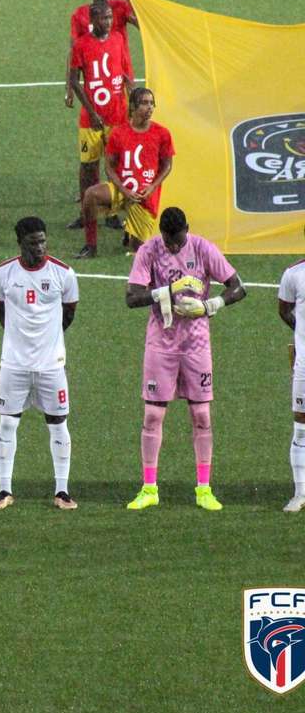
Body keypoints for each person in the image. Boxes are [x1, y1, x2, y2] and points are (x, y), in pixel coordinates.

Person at [124, 207, 246, 511]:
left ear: (187, 230)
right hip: (160, 344)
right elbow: (132, 297)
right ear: (162, 234)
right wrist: (166, 291)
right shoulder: (149, 250)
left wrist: (209, 306)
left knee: (202, 416)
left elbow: (238, 287)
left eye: (178, 240)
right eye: (169, 241)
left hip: (196, 344)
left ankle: (204, 489)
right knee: (153, 416)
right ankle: (149, 488)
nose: (174, 246)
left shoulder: (203, 249)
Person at [0, 217, 79, 510]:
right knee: (7, 422)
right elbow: (2, 315)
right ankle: (4, 490)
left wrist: (47, 342)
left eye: (42, 241)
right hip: (14, 365)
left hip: (51, 366)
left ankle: (62, 491)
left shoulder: (64, 274)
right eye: (32, 243)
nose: (39, 247)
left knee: (58, 423)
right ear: (20, 243)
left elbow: (68, 315)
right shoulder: (1, 274)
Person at [77, 87, 174, 258]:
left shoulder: (162, 133)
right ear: (133, 106)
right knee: (91, 195)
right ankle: (90, 246)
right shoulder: (118, 133)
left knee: (138, 249)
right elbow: (109, 166)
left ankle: (129, 233)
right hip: (122, 190)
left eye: (152, 103)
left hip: (144, 196)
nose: (150, 107)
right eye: (144, 103)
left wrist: (152, 187)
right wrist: (123, 189)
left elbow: (167, 165)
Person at [68, 1, 135, 245]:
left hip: (117, 116)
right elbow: (75, 80)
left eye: (109, 17)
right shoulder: (81, 45)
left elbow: (124, 71)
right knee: (88, 166)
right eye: (103, 18)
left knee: (117, 164)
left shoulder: (118, 38)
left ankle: (112, 213)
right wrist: (91, 111)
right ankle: (85, 212)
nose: (108, 22)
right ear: (92, 20)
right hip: (91, 120)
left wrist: (132, 94)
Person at [277, 251, 305, 512]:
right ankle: (300, 494)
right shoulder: (293, 274)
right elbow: (284, 310)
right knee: (301, 428)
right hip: (304, 366)